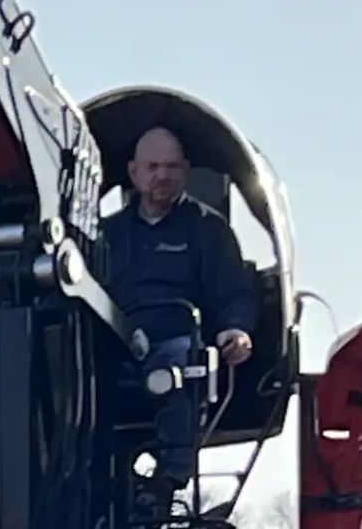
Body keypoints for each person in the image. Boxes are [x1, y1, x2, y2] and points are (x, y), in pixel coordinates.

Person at [89, 124, 262, 488]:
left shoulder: (208, 231)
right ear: (134, 172)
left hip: (178, 342)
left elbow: (234, 291)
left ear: (184, 171)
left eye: (171, 167)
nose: (162, 176)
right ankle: (83, 480)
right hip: (115, 345)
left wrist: (237, 329)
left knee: (175, 364)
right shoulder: (107, 235)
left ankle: (169, 479)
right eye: (152, 167)